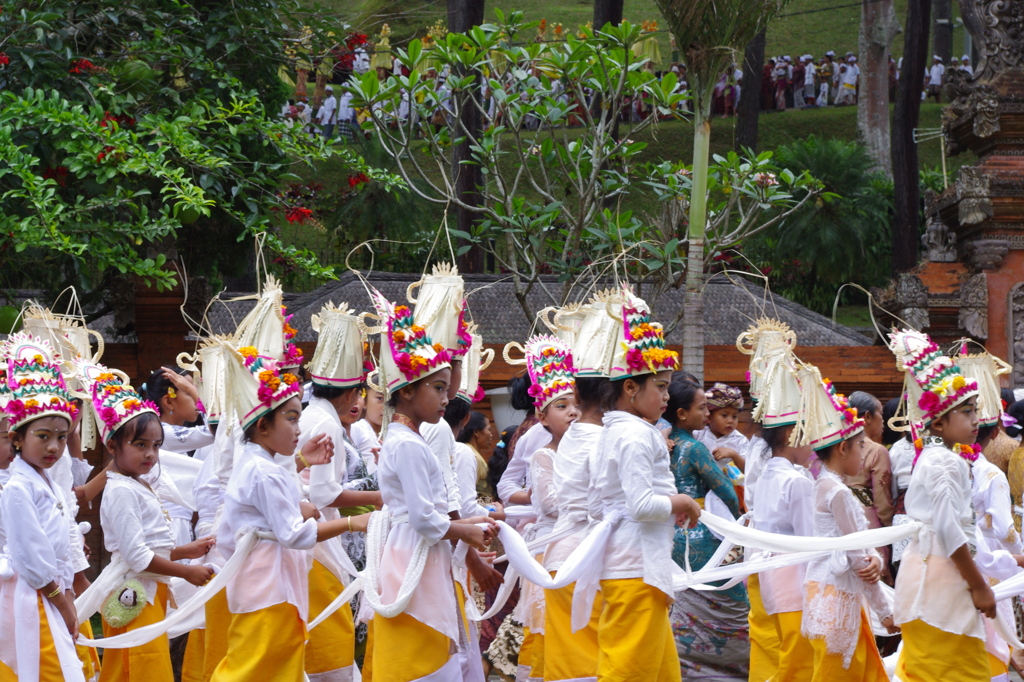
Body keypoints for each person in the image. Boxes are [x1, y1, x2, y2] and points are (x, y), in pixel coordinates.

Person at [211, 344, 365, 680]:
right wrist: (353, 522)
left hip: (268, 583)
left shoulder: (259, 462)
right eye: (292, 419)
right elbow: (294, 534)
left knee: (275, 665)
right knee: (254, 667)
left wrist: (303, 461)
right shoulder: (262, 469)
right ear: (263, 427)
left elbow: (272, 496)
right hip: (268, 587)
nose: (299, 429)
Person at [366, 291, 496, 681]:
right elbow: (424, 518)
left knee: (430, 646)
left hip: (418, 549)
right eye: (437, 389)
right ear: (406, 391)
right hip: (414, 551)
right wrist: (468, 532)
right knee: (420, 648)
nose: (446, 398)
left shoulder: (409, 438)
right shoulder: (406, 444)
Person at [887, 329, 1024, 680]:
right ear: (939, 421)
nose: (976, 419)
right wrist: (979, 585)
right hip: (944, 581)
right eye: (966, 411)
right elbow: (950, 532)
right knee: (959, 670)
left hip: (925, 573)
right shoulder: (947, 461)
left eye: (975, 410)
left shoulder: (935, 457)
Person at [586, 287, 700, 681]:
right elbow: (640, 505)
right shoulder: (633, 435)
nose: (667, 396)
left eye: (668, 386)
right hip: (633, 567)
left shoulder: (625, 430)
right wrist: (681, 501)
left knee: (658, 671)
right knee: (628, 672)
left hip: (638, 564)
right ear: (630, 388)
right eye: (661, 387)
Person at [85, 367, 215, 682]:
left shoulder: (137, 484)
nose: (151, 454)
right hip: (135, 593)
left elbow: (146, 546)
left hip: (146, 591)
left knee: (134, 668)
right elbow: (137, 557)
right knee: (143, 668)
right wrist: (187, 570)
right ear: (113, 447)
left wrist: (185, 549)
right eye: (140, 445)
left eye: (156, 446)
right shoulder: (121, 490)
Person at [792, 366, 896, 681]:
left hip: (824, 592)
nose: (864, 452)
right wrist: (886, 614)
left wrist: (873, 560)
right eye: (860, 445)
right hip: (839, 599)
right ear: (842, 448)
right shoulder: (838, 493)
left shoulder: (822, 485)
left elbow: (857, 554)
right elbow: (857, 559)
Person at [0, 335, 87, 681]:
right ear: (17, 439)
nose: (54, 446)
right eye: (43, 436)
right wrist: (63, 604)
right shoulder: (19, 486)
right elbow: (33, 557)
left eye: (62, 437)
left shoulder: (44, 480)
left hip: (49, 592)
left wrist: (66, 590)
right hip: (31, 593)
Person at [301, 302, 378, 682]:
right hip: (314, 539)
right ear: (353, 393)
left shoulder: (311, 413)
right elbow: (324, 495)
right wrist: (378, 501)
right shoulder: (325, 425)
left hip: (313, 534)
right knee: (329, 632)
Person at [666, 378, 750, 680]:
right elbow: (726, 490)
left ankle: (687, 665)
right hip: (704, 534)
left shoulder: (665, 444)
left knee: (688, 600)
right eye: (702, 408)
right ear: (682, 413)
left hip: (674, 534)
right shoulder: (695, 447)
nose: (706, 413)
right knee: (728, 600)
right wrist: (741, 522)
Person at [514, 335, 580, 682]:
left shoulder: (582, 451)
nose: (572, 411)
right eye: (561, 405)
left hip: (582, 547)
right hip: (552, 548)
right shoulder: (544, 455)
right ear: (542, 416)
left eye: (575, 405)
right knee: (549, 627)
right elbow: (552, 504)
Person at [695, 382, 748, 475]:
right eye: (724, 415)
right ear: (709, 416)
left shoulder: (740, 440)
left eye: (734, 416)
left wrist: (734, 455)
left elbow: (748, 469)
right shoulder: (698, 434)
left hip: (731, 487)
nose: (730, 421)